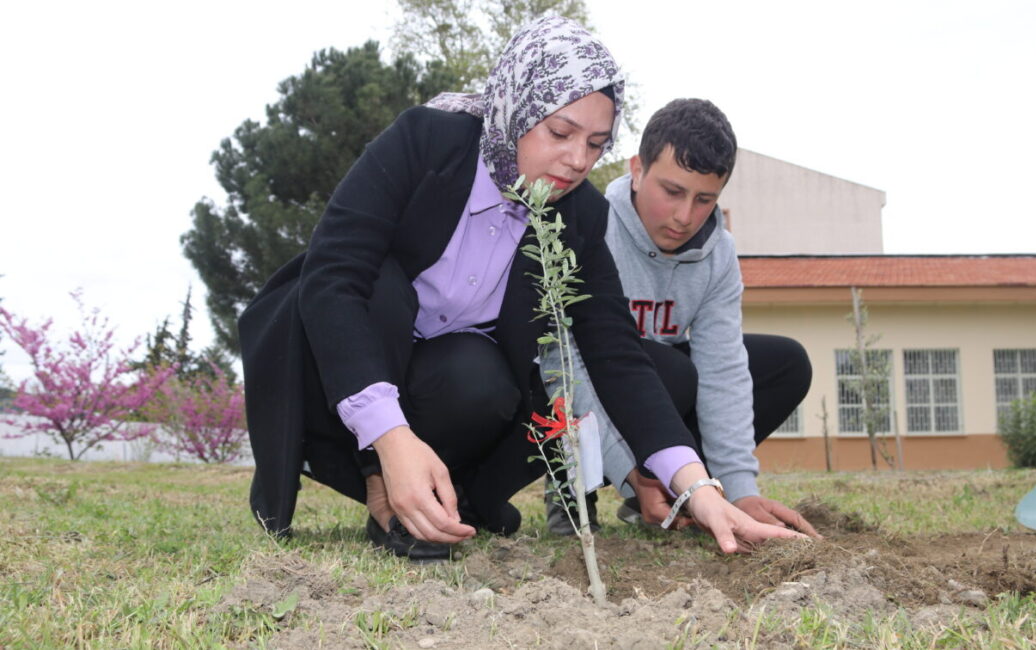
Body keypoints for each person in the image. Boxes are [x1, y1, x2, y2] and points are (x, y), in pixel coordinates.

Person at [239, 17, 805, 561]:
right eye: (560, 132)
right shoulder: (426, 143)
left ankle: (447, 490)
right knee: (383, 285)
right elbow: (333, 279)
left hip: (448, 396)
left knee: (484, 375)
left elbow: (616, 353)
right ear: (516, 108)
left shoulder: (578, 216)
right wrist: (388, 439)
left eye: (596, 143)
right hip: (336, 381)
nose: (578, 160)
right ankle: (383, 486)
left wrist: (699, 489)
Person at [544, 98, 819, 538]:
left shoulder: (719, 255)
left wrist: (739, 489)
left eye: (704, 199)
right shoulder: (591, 226)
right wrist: (626, 471)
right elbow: (565, 363)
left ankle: (687, 493)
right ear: (637, 170)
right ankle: (575, 488)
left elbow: (723, 369)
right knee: (665, 370)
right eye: (672, 192)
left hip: (659, 397)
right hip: (593, 381)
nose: (684, 216)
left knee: (784, 362)